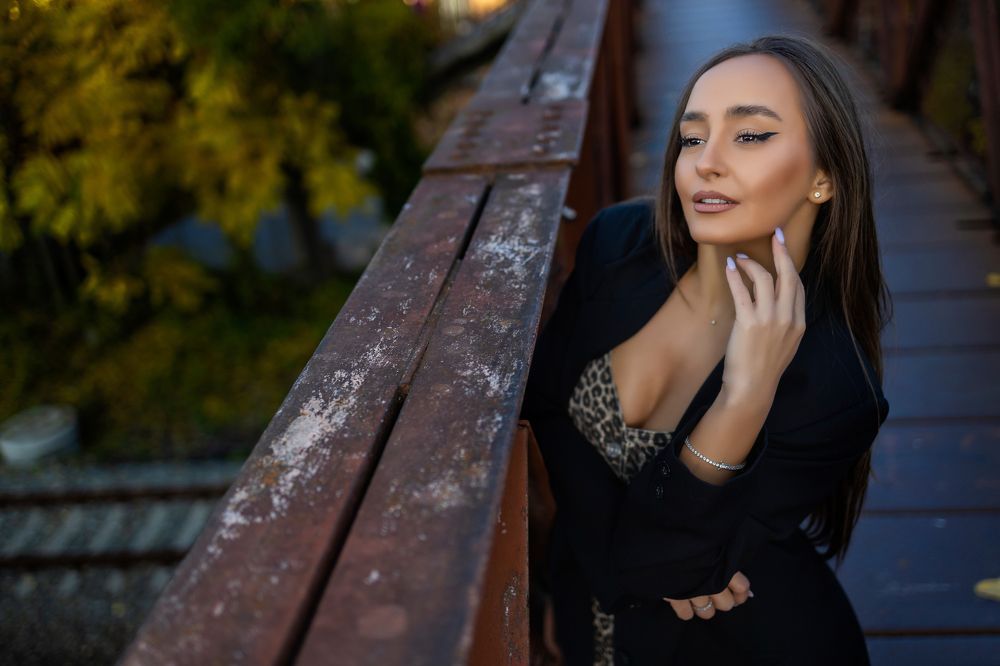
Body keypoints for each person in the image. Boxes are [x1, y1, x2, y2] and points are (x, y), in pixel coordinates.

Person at [520, 34, 892, 665]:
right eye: (692, 138)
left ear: (824, 178)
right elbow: (548, 412)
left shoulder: (836, 391)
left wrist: (744, 398)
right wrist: (586, 582)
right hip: (587, 613)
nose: (706, 163)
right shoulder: (618, 243)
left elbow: (661, 564)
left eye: (750, 135)